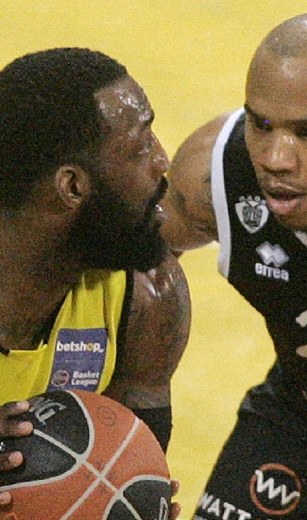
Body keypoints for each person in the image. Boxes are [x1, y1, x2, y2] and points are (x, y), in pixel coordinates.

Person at [161, 9, 307, 519]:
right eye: (261, 124)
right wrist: (137, 404)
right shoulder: (215, 175)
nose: (275, 158)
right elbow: (132, 267)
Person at [0, 47, 190, 514]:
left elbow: (121, 479)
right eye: (141, 147)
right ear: (72, 187)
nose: (163, 161)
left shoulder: (147, 293)